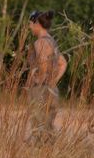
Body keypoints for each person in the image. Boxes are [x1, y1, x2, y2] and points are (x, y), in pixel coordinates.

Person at [26, 10, 67, 145]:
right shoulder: (52, 41)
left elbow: (43, 65)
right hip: (51, 89)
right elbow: (63, 63)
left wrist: (38, 81)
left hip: (41, 91)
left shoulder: (41, 43)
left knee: (39, 129)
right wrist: (53, 81)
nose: (30, 27)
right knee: (48, 128)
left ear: (37, 23)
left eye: (31, 24)